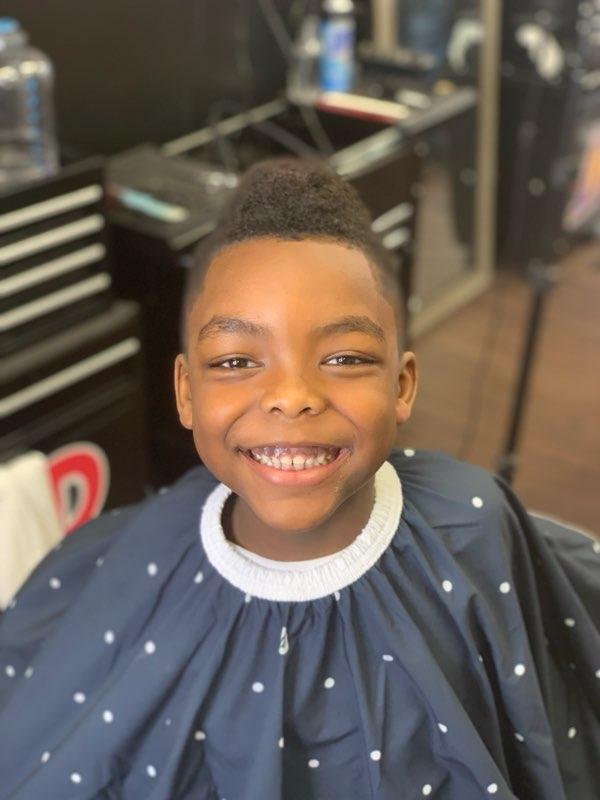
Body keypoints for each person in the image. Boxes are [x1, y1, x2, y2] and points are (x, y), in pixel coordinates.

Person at [0, 158, 598, 800]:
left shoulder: (476, 525)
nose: (291, 396)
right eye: (234, 360)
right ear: (185, 392)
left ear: (402, 385)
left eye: (344, 357)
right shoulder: (129, 560)